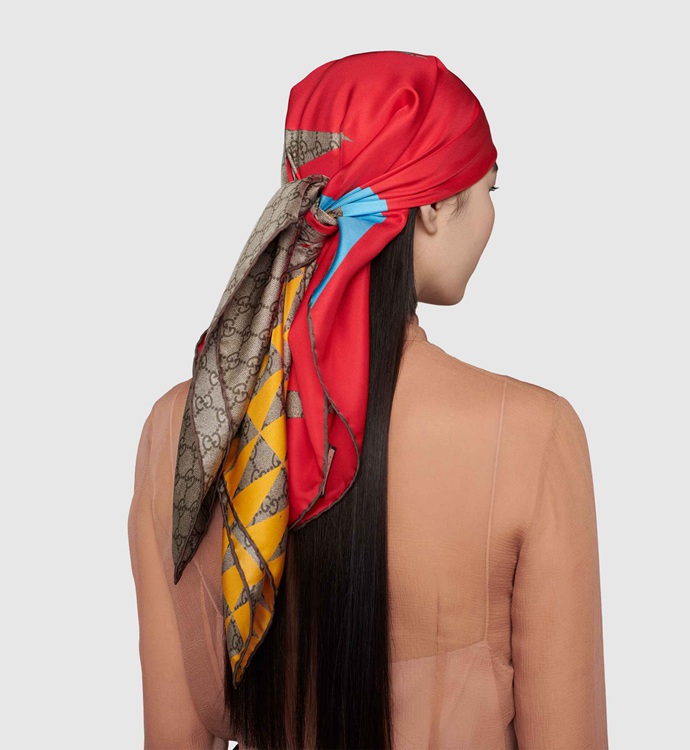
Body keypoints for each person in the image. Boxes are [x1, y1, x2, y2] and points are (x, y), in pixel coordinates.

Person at [128, 50, 608, 750]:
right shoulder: (536, 435)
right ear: (434, 207)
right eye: (490, 187)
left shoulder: (184, 427)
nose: (490, 214)